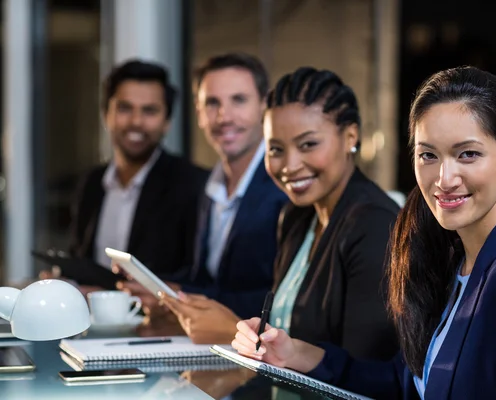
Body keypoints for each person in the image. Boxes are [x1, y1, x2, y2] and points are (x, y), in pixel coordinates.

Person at [230, 66, 496, 399]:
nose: (444, 179)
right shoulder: (448, 259)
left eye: (468, 154)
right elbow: (402, 385)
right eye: (428, 155)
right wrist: (294, 353)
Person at [164, 67, 400, 360]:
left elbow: (365, 372)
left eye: (308, 144)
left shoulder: (376, 225)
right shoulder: (296, 217)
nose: (289, 165)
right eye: (275, 149)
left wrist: (232, 332)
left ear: (350, 136)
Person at [120, 53, 288, 342]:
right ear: (198, 112)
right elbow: (210, 280)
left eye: (239, 100)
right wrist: (163, 289)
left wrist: (181, 296)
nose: (224, 116)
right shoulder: (210, 186)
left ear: (263, 106)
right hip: (215, 349)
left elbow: (283, 299)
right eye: (212, 103)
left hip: (263, 357)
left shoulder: (283, 185)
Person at [44, 60, 209, 295]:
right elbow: (81, 259)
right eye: (124, 108)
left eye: (149, 111)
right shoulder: (91, 183)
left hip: (158, 328)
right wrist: (65, 280)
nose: (136, 122)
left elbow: (194, 277)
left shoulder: (193, 185)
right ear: (106, 114)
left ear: (167, 122)